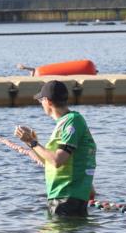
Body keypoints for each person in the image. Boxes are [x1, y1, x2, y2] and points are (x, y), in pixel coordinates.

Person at [15, 80, 97, 218]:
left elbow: (58, 160)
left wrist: (32, 142)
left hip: (66, 198)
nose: (41, 104)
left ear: (48, 101)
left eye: (41, 100)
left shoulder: (72, 121)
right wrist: (31, 143)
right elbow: (50, 161)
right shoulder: (65, 123)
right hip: (64, 197)